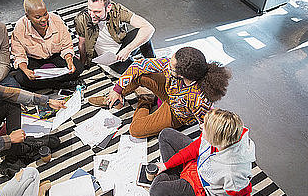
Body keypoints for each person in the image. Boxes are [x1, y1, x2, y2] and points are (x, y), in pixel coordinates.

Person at [88, 47, 231, 138]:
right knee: (140, 74)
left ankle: (145, 99)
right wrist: (117, 89)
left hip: (176, 114)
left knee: (135, 130)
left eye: (171, 65)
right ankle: (113, 97)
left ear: (181, 74)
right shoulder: (174, 66)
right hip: (168, 91)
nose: (167, 63)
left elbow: (206, 127)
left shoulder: (200, 100)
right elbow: (139, 65)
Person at [150, 109, 259, 196]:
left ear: (216, 139)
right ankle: (174, 177)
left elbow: (243, 193)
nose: (201, 126)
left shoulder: (233, 173)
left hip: (205, 192)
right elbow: (194, 148)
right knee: (165, 134)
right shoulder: (225, 134)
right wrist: (167, 165)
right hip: (198, 165)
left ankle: (174, 179)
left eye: (205, 126)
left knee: (156, 192)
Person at [74, 0, 156, 74]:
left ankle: (154, 63)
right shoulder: (81, 19)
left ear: (108, 7)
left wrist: (127, 50)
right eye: (90, 10)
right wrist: (83, 62)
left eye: (97, 11)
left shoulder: (117, 10)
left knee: (144, 35)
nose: (92, 15)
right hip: (108, 58)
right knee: (135, 72)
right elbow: (81, 43)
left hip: (122, 45)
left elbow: (149, 28)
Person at [11, 0, 84, 90]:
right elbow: (19, 56)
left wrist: (69, 60)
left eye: (45, 14)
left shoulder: (56, 20)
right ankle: (60, 84)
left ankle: (47, 84)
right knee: (21, 78)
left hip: (56, 55)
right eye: (38, 17)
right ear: (28, 17)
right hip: (34, 59)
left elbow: (66, 46)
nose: (44, 19)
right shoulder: (20, 28)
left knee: (78, 67)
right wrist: (26, 70)